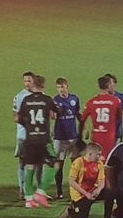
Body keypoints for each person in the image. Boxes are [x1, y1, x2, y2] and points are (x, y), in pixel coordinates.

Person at [17, 74, 55, 208]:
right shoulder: (47, 99)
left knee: (30, 167)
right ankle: (40, 191)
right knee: (54, 164)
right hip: (43, 139)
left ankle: (29, 200)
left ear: (33, 84)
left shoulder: (26, 100)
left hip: (30, 139)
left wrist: (29, 127)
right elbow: (56, 113)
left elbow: (18, 118)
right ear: (43, 85)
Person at [62, 141, 111, 218]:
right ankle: (71, 210)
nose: (100, 157)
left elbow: (102, 181)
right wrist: (86, 194)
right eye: (98, 155)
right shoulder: (78, 162)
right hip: (80, 194)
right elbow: (71, 181)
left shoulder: (99, 164)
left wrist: (98, 190)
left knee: (110, 192)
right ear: (90, 154)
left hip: (92, 191)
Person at [51, 77, 82, 199]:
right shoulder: (55, 100)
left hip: (73, 137)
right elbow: (52, 117)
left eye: (62, 87)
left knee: (76, 165)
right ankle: (59, 192)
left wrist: (84, 128)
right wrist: (56, 112)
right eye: (58, 87)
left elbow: (78, 114)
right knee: (59, 165)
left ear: (67, 86)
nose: (60, 90)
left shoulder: (74, 98)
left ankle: (77, 190)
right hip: (59, 137)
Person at [80, 75, 123, 160]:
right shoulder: (115, 101)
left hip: (96, 136)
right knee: (108, 161)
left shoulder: (91, 102)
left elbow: (82, 120)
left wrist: (79, 137)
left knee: (95, 161)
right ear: (108, 85)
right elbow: (119, 118)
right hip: (109, 136)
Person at [11, 71, 34, 200]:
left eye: (29, 80)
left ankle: (32, 189)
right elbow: (15, 116)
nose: (27, 83)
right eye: (25, 80)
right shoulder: (19, 96)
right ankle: (21, 187)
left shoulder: (39, 95)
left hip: (36, 135)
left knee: (37, 163)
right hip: (23, 134)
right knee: (22, 161)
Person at [106, 74, 123, 139]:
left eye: (110, 83)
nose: (108, 86)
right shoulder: (100, 99)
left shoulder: (122, 97)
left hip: (117, 133)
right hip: (104, 133)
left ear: (115, 84)